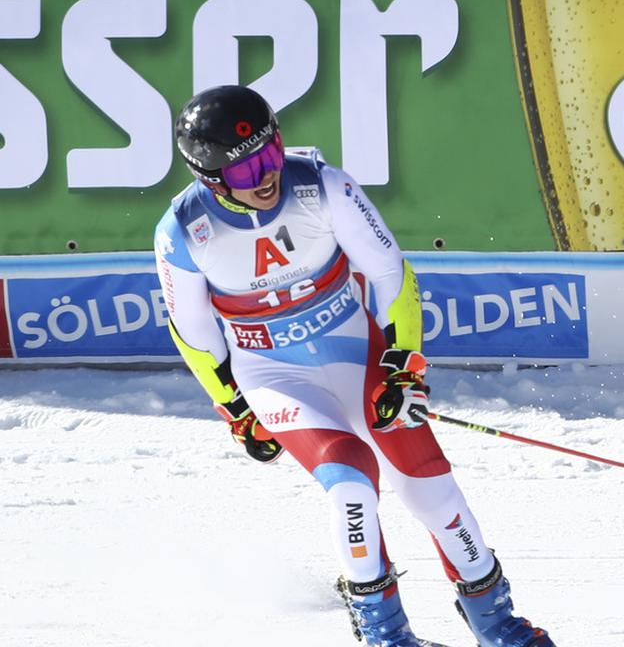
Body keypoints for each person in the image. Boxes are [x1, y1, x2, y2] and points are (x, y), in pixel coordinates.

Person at [154, 85, 555, 647]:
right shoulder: (183, 232)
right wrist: (235, 411)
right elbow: (193, 334)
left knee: (433, 492)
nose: (267, 177)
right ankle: (385, 636)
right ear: (211, 178)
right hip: (274, 376)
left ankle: (499, 625)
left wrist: (403, 367)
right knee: (351, 482)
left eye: (270, 156)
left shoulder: (324, 186)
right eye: (246, 172)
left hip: (360, 358)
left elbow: (392, 275)